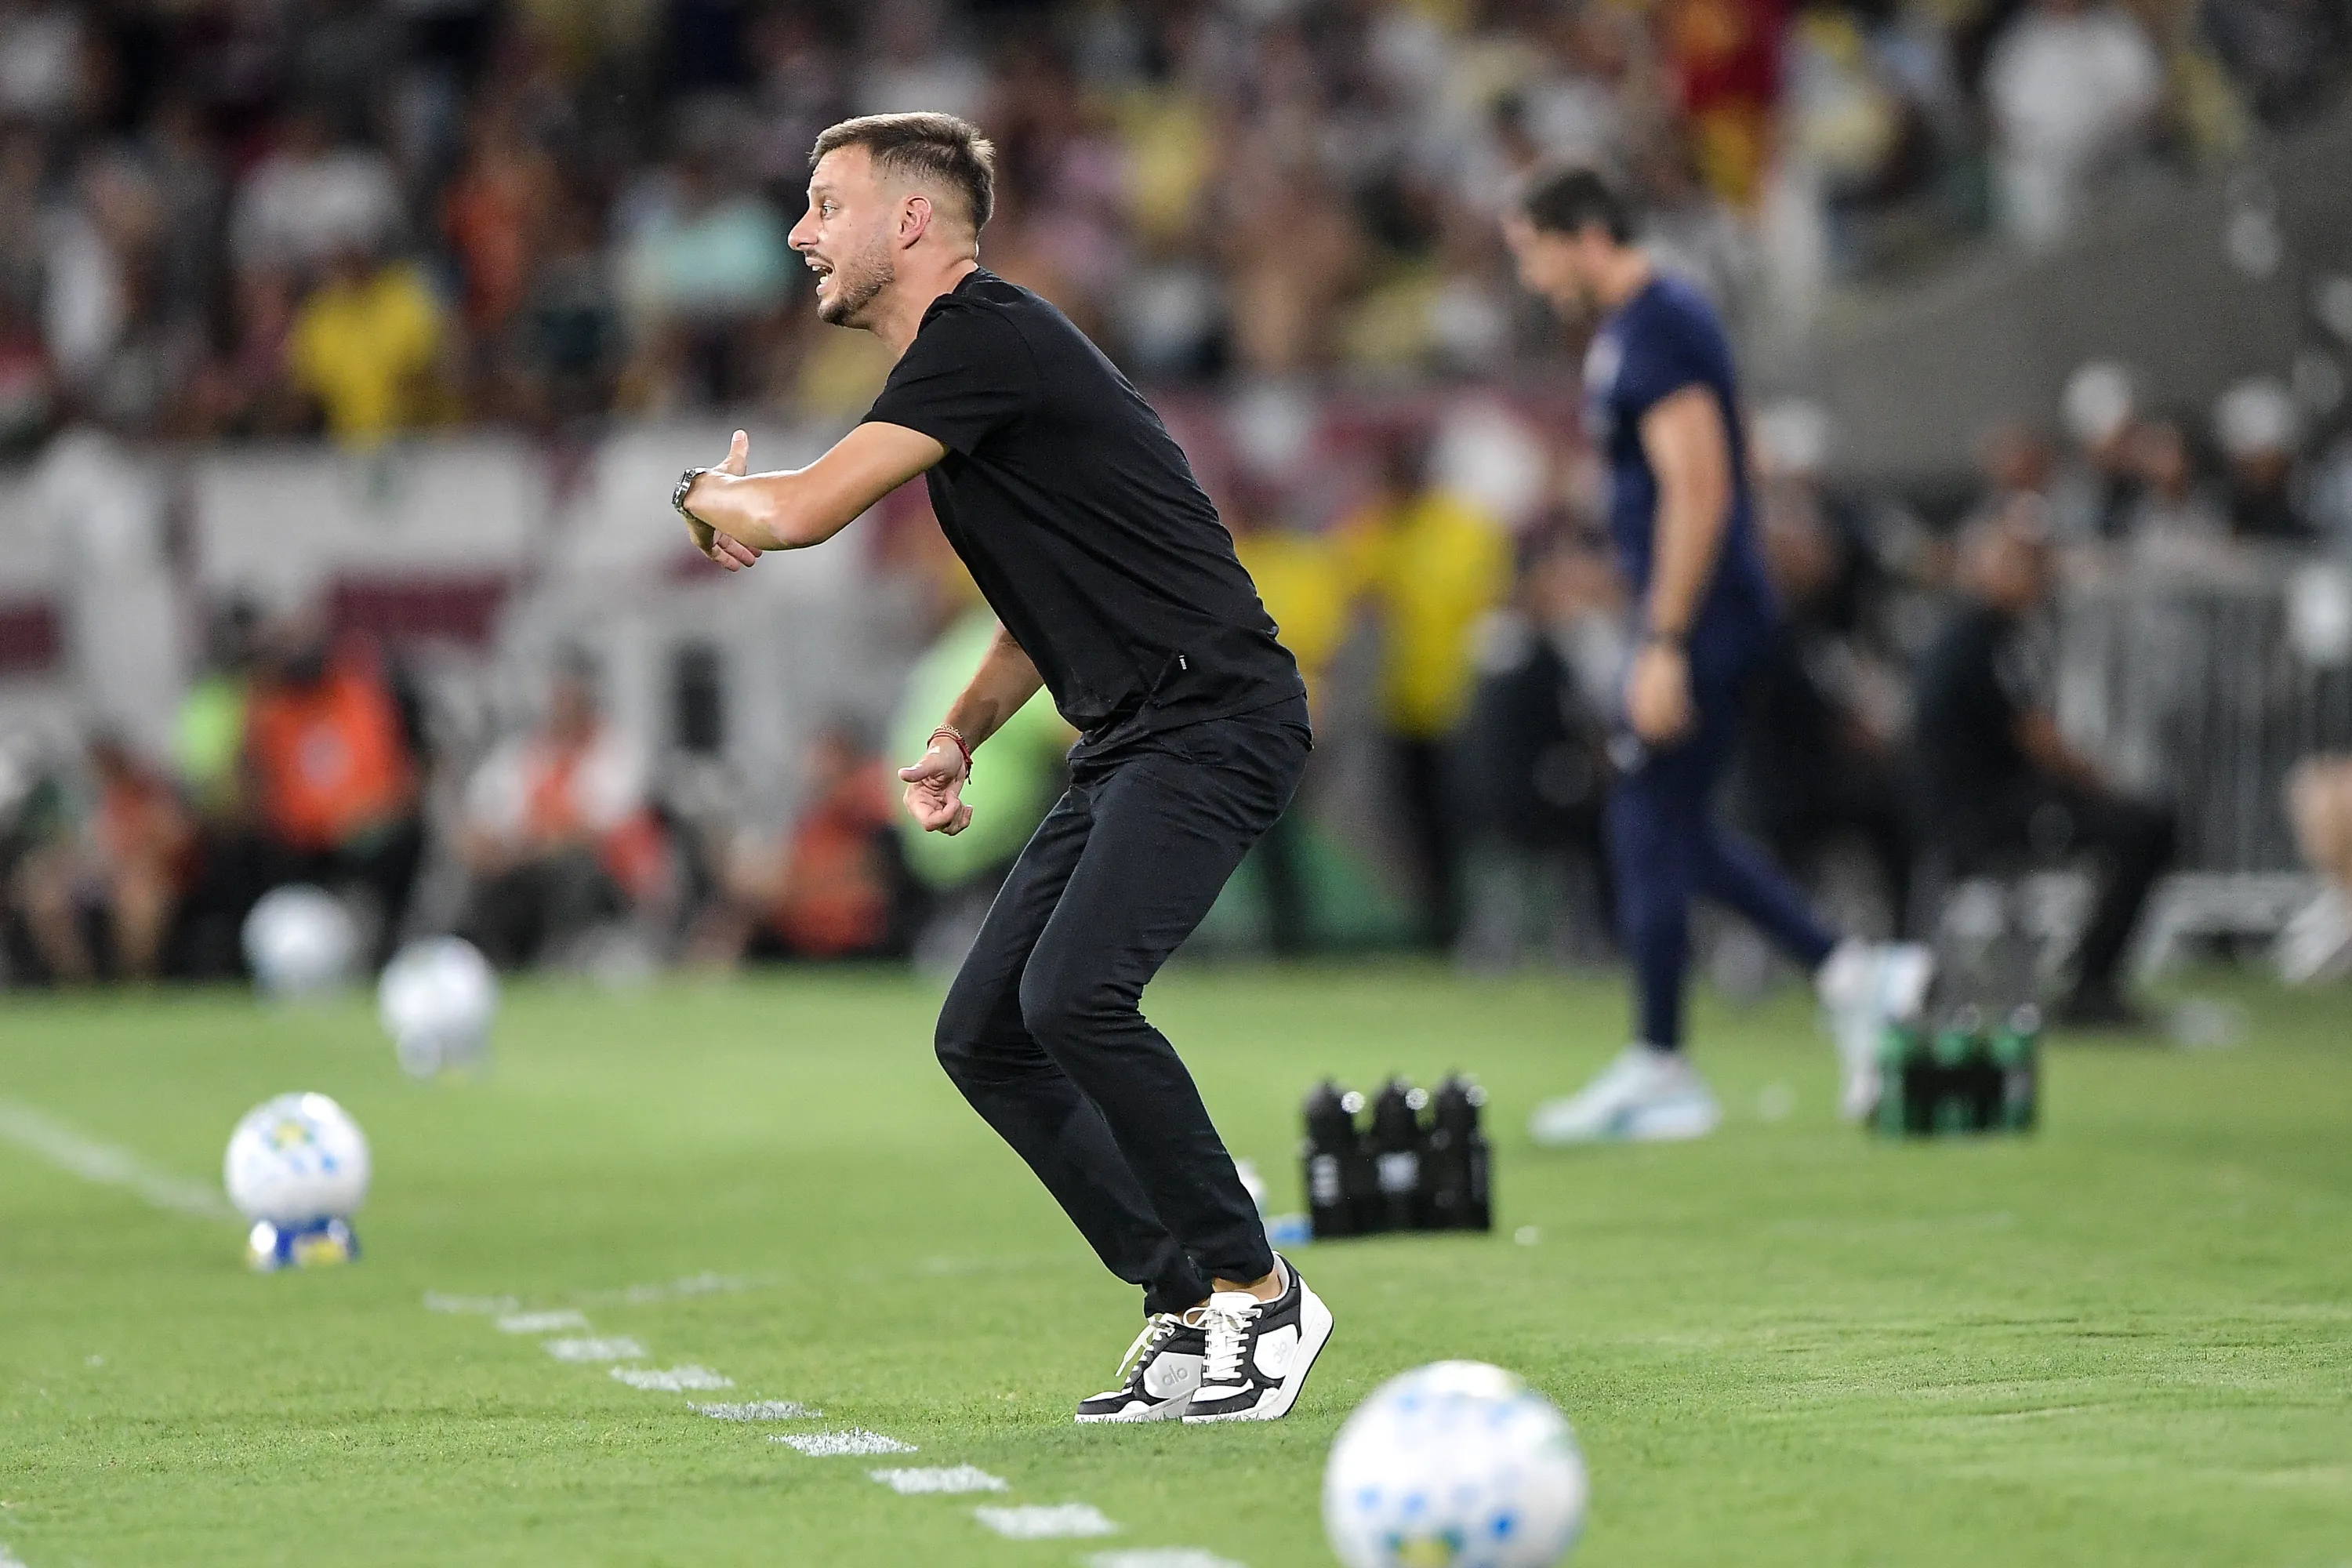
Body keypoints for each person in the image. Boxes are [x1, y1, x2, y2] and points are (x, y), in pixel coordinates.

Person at [670, 113, 1331, 1425]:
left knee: (1077, 997)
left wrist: (703, 493)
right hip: (1139, 732)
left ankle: (1261, 1294)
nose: (801, 234)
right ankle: (1185, 1302)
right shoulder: (975, 374)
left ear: (910, 221)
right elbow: (1048, 598)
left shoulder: (983, 337)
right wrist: (962, 730)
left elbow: (796, 512)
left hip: (1213, 718)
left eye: (824, 204)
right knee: (984, 1033)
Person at [1501, 165, 1930, 1138]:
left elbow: (1701, 488)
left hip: (1701, 620)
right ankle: (1850, 973)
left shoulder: (1660, 325)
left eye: (1532, 250)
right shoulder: (1645, 328)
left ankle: (1668, 1058)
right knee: (1665, 822)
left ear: (1582, 233)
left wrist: (1664, 638)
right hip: (1699, 609)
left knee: (1648, 815)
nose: (1530, 277)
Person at [1911, 506, 2176, 1029]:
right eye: (2018, 563)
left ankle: (2091, 977)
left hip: (1978, 804)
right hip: (1984, 812)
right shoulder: (1982, 640)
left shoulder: (1988, 634)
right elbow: (2038, 738)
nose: (2035, 576)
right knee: (2143, 827)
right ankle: (2091, 984)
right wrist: (2104, 785)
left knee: (2139, 823)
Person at [457, 661, 668, 970]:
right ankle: (483, 957)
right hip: (525, 868)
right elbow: (483, 816)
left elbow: (595, 831)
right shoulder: (523, 756)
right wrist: (484, 842)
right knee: (489, 884)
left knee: (574, 867)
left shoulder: (617, 752)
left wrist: (526, 849)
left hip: (607, 876)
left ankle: (562, 956)